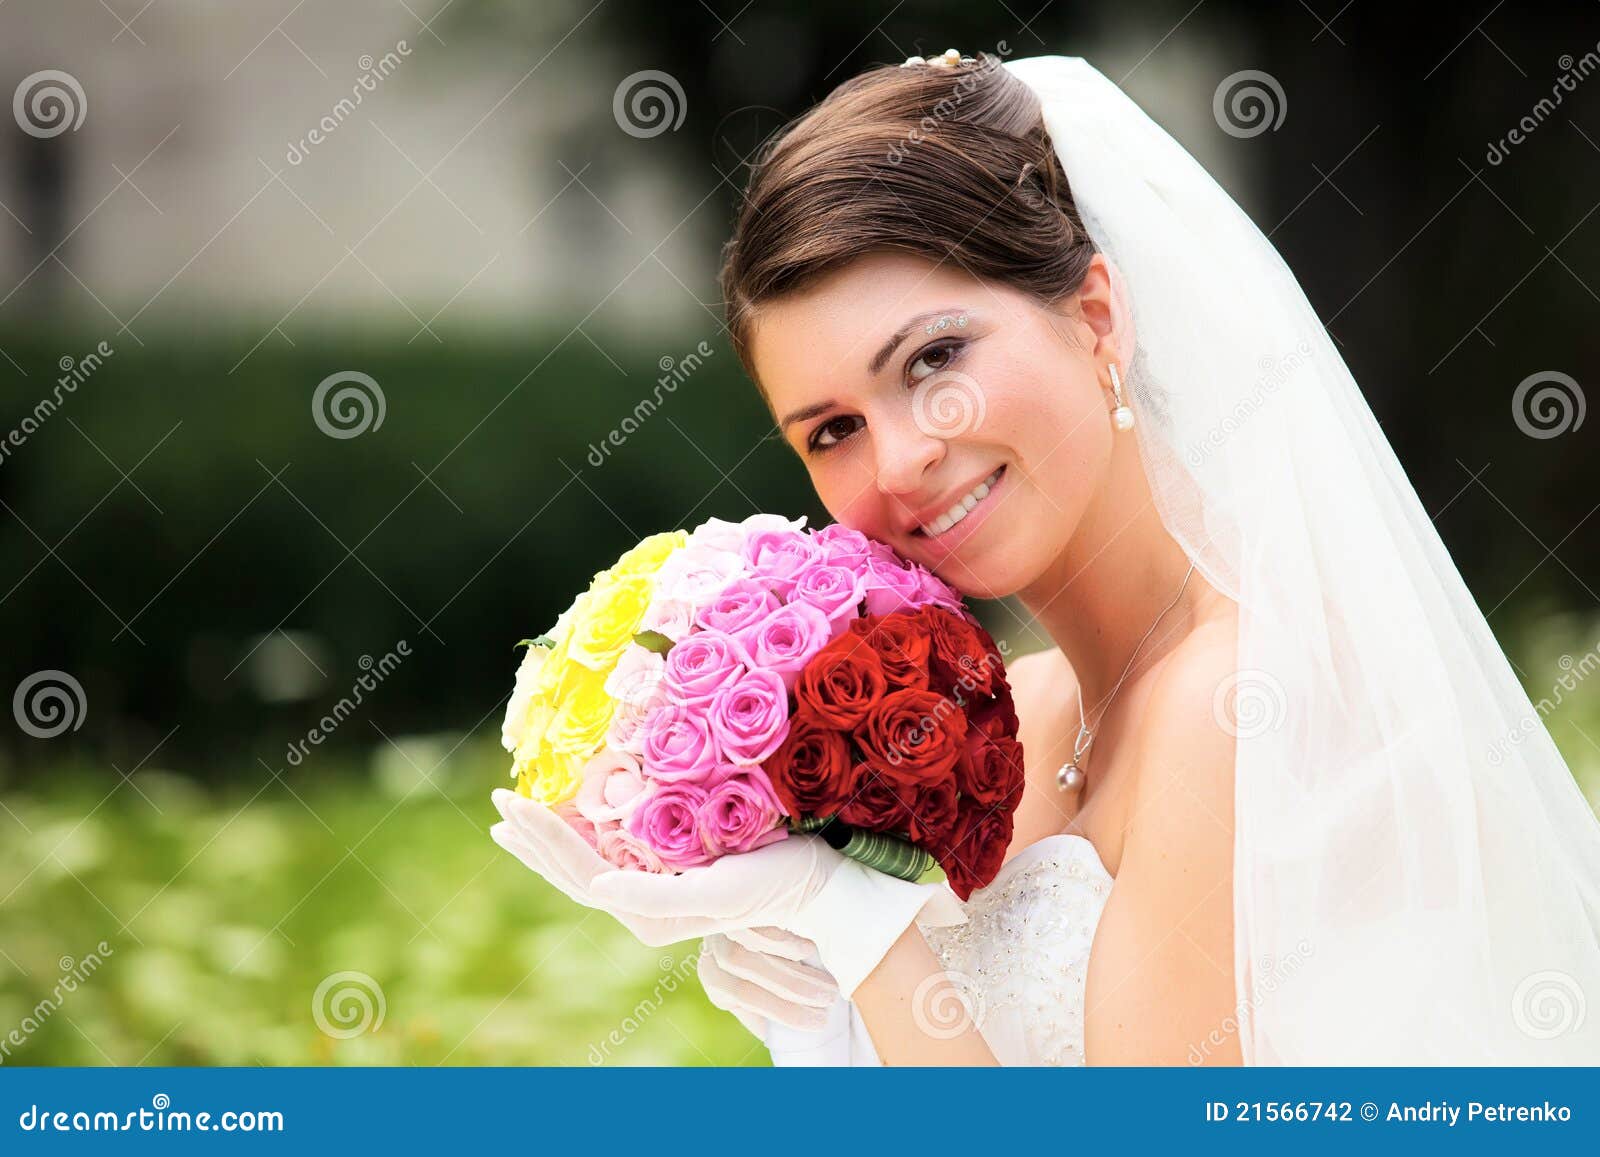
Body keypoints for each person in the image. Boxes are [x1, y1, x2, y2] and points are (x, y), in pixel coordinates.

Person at [490, 51, 1600, 1065]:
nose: (904, 456)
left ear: (1096, 317)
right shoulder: (1008, 714)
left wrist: (858, 928)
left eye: (934, 356)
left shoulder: (1237, 695)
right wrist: (809, 981)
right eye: (831, 429)